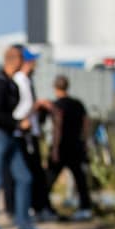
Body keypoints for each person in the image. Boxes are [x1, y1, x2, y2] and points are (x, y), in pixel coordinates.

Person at [0, 46, 47, 229]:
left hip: (10, 135)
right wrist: (18, 123)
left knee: (24, 177)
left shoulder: (11, 83)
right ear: (16, 60)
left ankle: (23, 224)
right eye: (24, 59)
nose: (28, 63)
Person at [12, 48, 57, 222]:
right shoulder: (20, 80)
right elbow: (20, 110)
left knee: (35, 173)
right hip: (24, 134)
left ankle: (36, 208)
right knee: (29, 175)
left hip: (31, 133)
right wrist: (37, 106)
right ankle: (31, 211)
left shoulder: (26, 80)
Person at [47, 75, 92, 220]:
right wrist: (84, 142)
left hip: (61, 147)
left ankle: (42, 206)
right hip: (76, 146)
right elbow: (86, 123)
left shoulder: (57, 105)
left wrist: (54, 148)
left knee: (49, 178)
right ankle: (86, 208)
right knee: (80, 179)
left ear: (55, 88)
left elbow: (58, 128)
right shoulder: (77, 104)